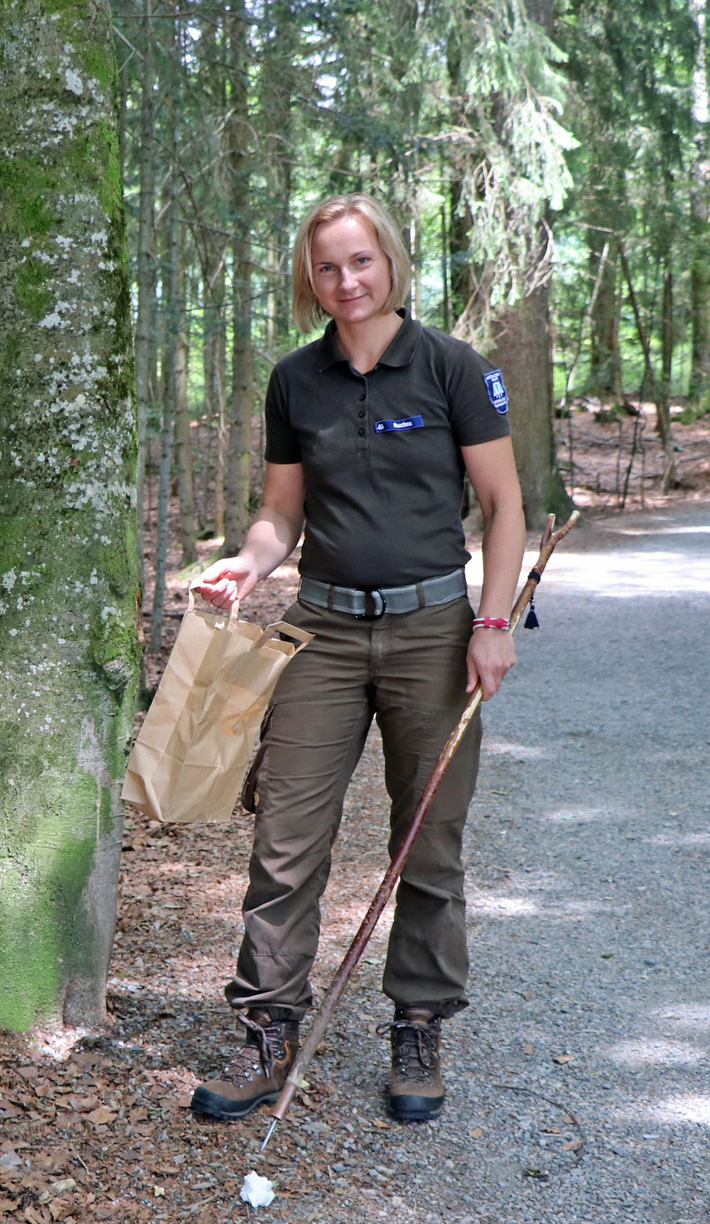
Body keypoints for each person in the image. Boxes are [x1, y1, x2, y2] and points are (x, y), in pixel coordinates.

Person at [186, 193, 527, 1125]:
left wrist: (492, 624)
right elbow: (281, 512)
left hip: (433, 633)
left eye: (362, 261)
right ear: (311, 276)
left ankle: (417, 1026)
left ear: (391, 262)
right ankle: (267, 1032)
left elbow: (504, 506)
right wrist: (249, 563)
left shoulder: (453, 369)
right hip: (324, 633)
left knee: (427, 842)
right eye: (329, 266)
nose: (347, 281)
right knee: (284, 842)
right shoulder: (297, 381)